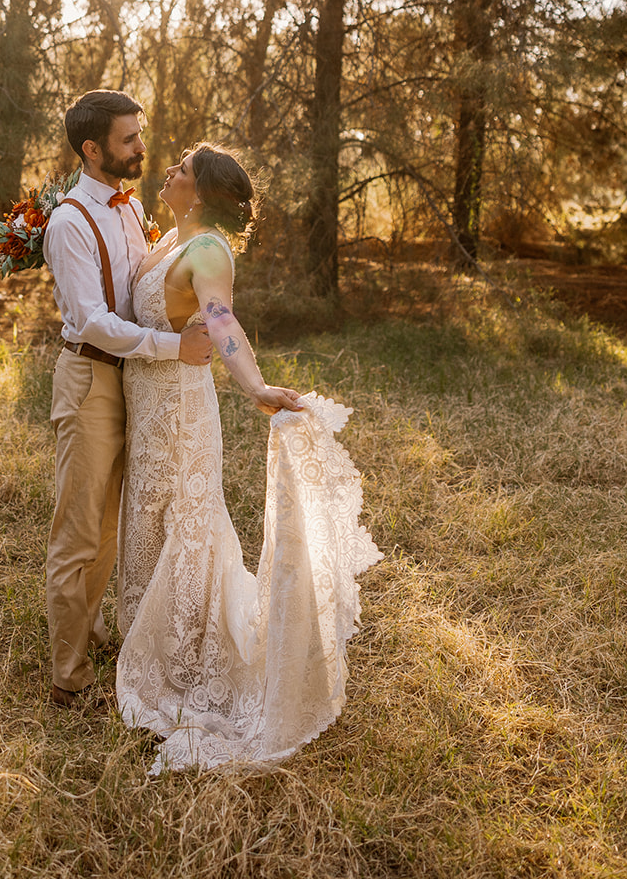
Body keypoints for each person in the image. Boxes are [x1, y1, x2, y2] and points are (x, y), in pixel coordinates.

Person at [116, 142, 382, 772]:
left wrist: (255, 386)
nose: (170, 172)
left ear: (201, 191)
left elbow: (221, 321)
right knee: (148, 515)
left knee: (184, 522)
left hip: (180, 411)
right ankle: (146, 635)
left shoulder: (207, 249)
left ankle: (183, 659)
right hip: (147, 405)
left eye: (181, 169)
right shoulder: (166, 239)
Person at [41, 90, 213, 709]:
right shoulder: (68, 222)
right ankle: (69, 674)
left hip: (133, 382)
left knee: (112, 525)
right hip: (90, 378)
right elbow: (90, 320)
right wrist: (171, 347)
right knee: (78, 529)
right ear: (93, 150)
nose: (142, 146)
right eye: (128, 139)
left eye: (139, 135)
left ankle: (92, 633)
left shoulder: (130, 205)